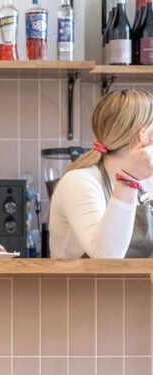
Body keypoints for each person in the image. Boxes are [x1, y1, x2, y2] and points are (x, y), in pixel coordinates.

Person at [49, 89, 153, 258]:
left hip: (134, 285)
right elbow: (106, 258)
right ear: (140, 136)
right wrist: (129, 178)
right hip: (80, 285)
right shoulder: (79, 182)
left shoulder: (147, 182)